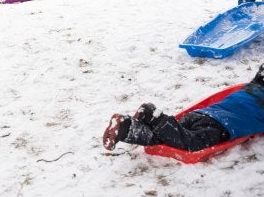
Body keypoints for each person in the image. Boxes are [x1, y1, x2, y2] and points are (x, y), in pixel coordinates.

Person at [103, 63, 264, 152]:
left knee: (168, 137)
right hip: (222, 125)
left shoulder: (251, 87)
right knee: (191, 143)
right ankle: (153, 116)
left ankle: (126, 128)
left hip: (203, 113)